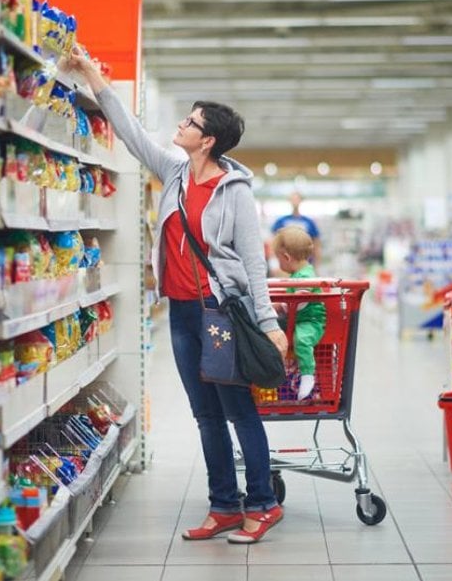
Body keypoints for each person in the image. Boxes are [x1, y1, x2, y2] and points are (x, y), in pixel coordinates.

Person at [66, 46, 288, 544]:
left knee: (237, 410)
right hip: (183, 313)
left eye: (190, 122)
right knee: (205, 413)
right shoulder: (174, 173)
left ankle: (263, 502)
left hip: (222, 313)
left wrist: (270, 323)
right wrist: (91, 78)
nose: (181, 126)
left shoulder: (235, 192)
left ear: (207, 140)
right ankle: (224, 505)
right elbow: (131, 134)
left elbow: (253, 263)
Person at [272, 227, 326, 401]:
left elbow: (300, 302)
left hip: (311, 321)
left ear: (287, 258)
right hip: (298, 319)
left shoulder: (306, 276)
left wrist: (282, 306)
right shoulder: (298, 274)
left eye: (278, 259)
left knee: (301, 339)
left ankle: (308, 376)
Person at [272, 192, 321, 265]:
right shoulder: (281, 221)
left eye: (297, 199)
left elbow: (316, 243)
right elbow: (274, 242)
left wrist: (317, 263)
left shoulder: (309, 222)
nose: (295, 201)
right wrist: (274, 263)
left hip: (306, 262)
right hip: (286, 263)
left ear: (301, 200)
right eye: (293, 199)